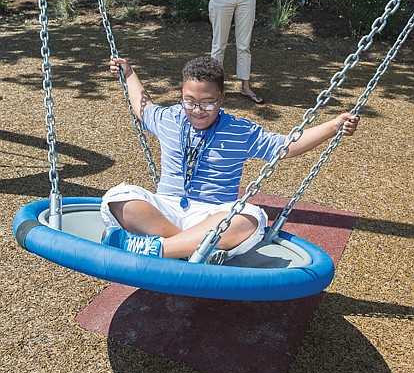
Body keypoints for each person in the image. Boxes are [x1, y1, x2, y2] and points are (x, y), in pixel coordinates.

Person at [101, 55, 360, 263]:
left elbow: (286, 147)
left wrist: (333, 127)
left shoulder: (240, 131)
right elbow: (141, 106)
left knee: (251, 217)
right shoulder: (170, 118)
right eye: (189, 101)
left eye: (207, 103)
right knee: (118, 197)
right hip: (165, 208)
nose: (197, 110)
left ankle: (159, 250)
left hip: (213, 214)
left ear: (221, 99)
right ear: (181, 95)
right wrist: (129, 72)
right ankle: (186, 248)